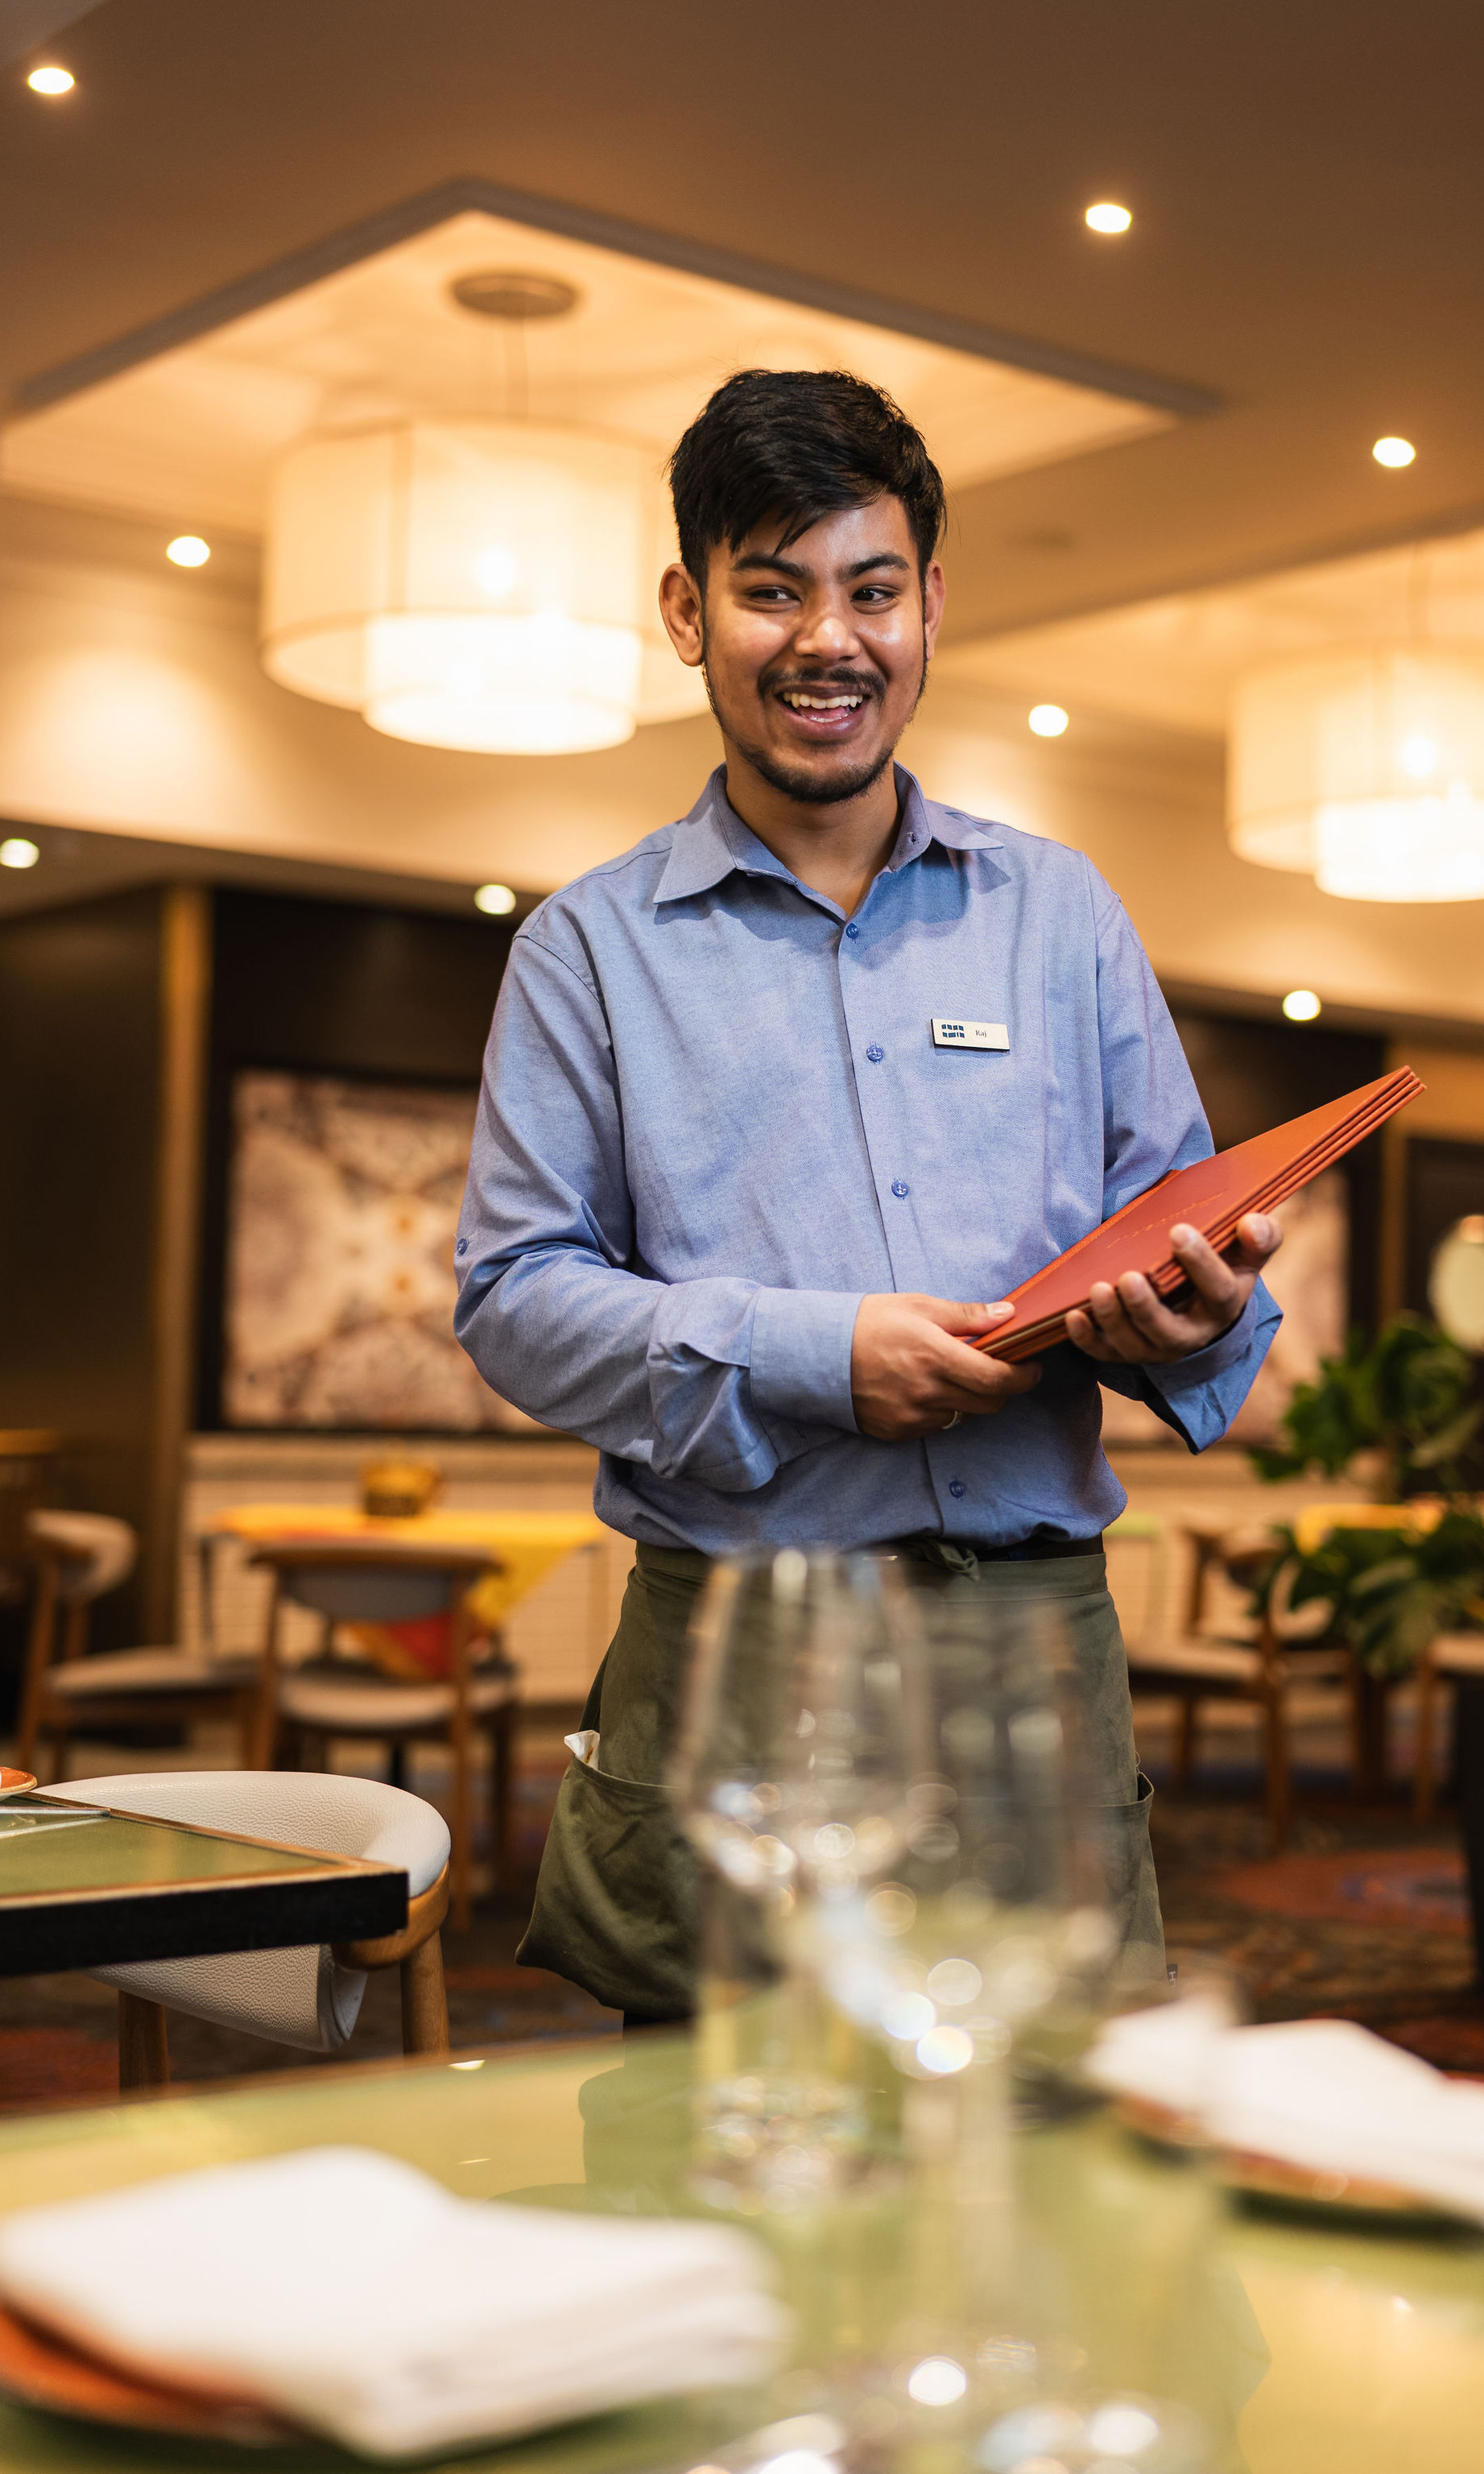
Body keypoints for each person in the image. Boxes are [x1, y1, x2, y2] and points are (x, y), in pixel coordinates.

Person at [454, 368, 1282, 2021]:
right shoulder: (591, 950)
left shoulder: (1061, 915)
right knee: (718, 2172)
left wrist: (1195, 1315)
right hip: (740, 1652)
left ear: (929, 608)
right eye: (770, 588)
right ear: (689, 610)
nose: (826, 637)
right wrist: (812, 1355)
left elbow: (1190, 1263)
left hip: (1030, 1645)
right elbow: (515, 1298)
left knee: (1050, 2176)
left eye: (870, 588)